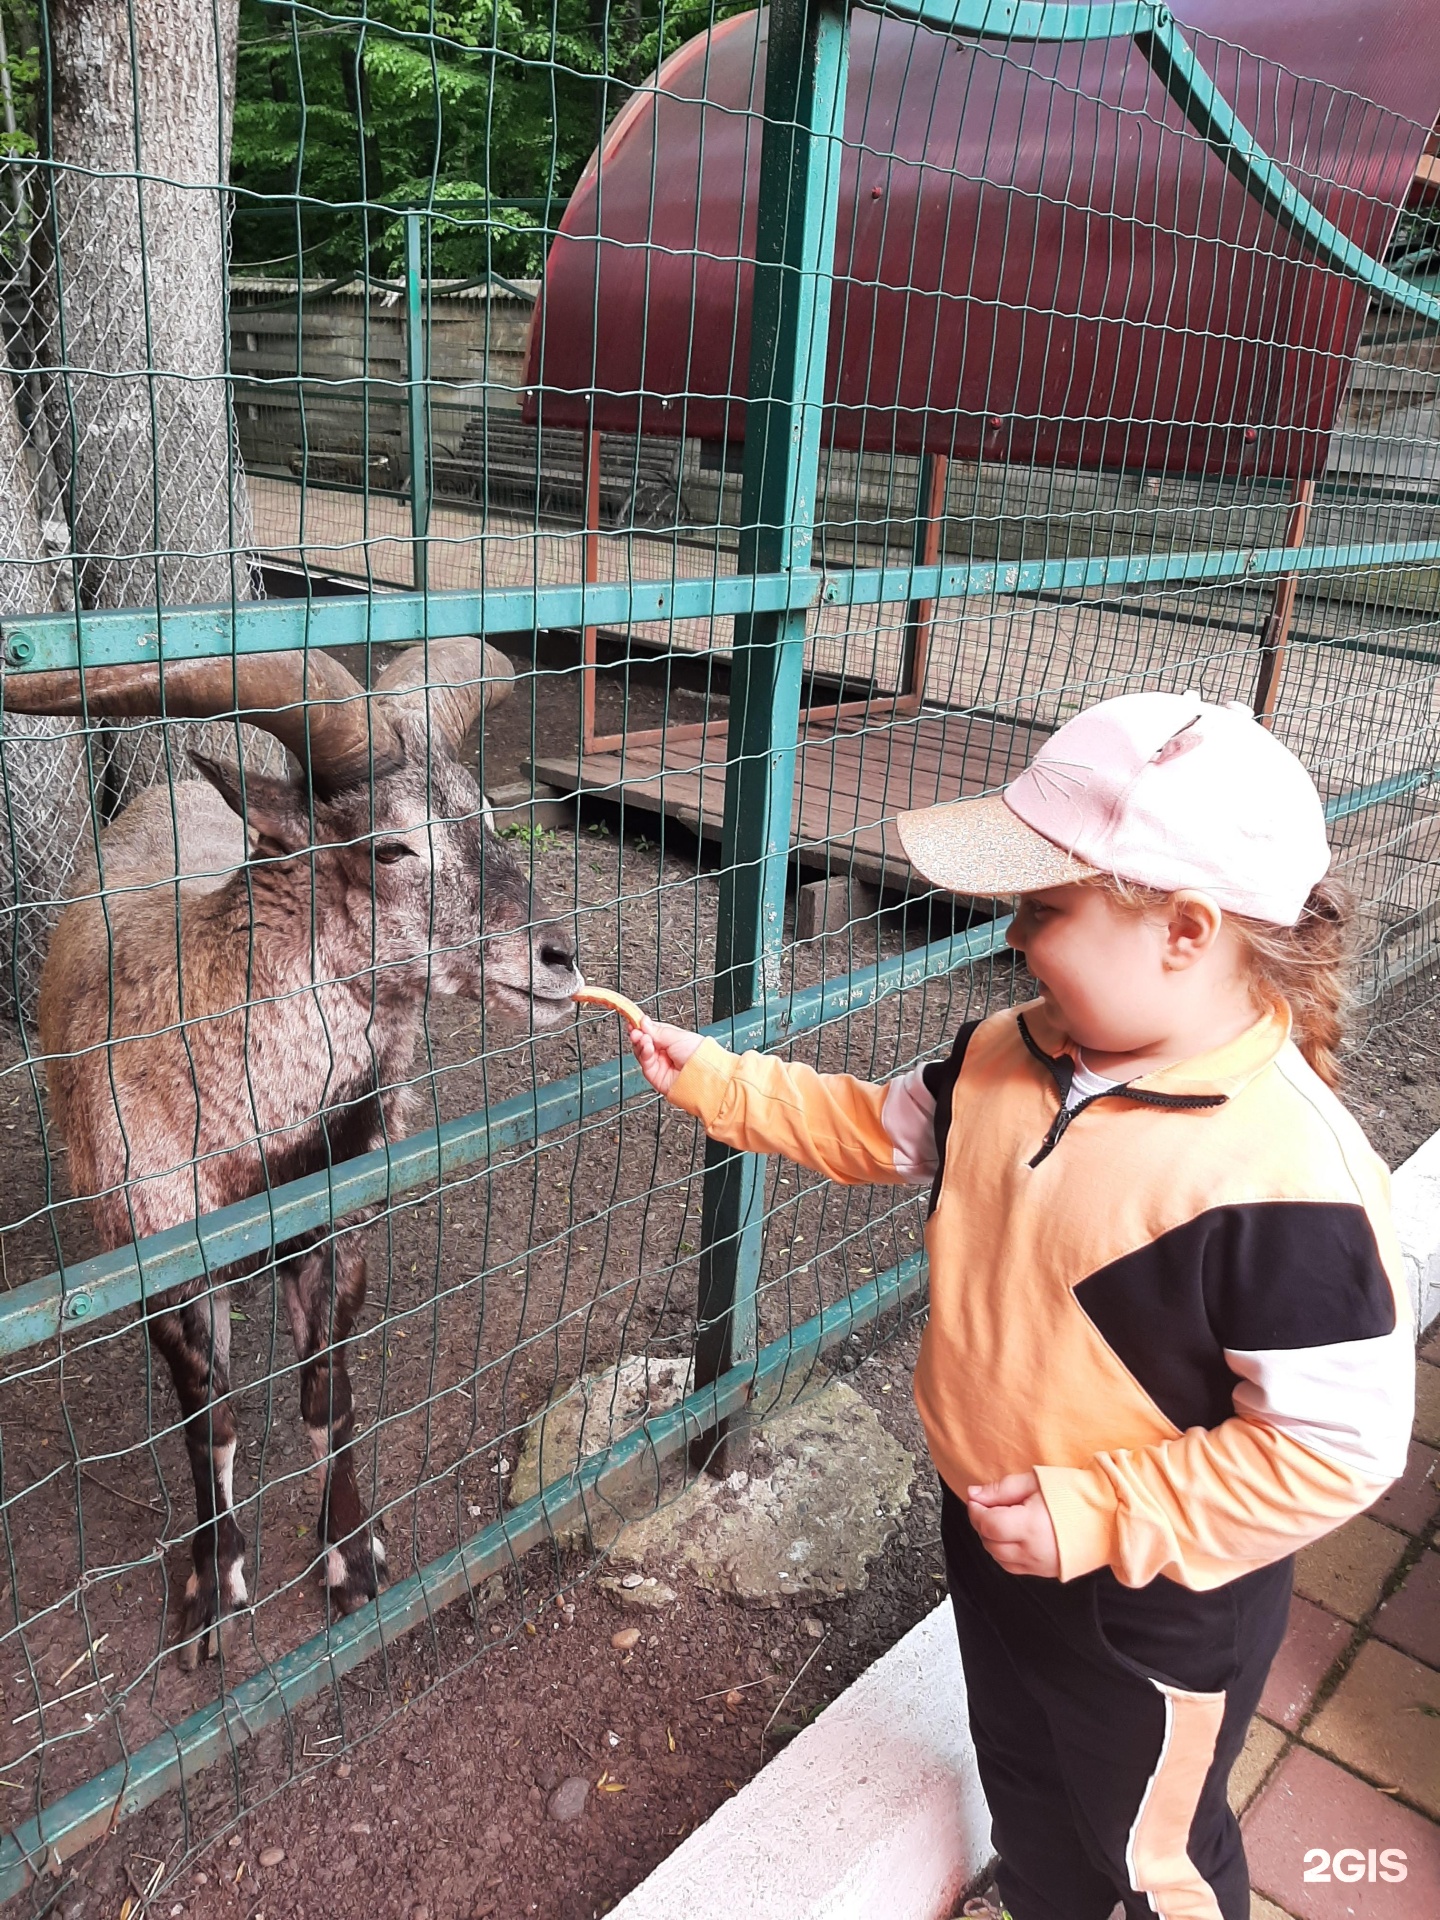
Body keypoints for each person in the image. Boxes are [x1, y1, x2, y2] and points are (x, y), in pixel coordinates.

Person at [625, 691, 1414, 1920]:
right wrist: (721, 1083)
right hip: (997, 1532)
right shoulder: (1006, 1052)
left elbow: (1335, 1450)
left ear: (1186, 932)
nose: (1014, 933)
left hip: (1158, 1601)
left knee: (1150, 1846)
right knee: (1031, 1778)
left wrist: (1095, 1510)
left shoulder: (1288, 1182)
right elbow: (872, 1128)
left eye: (1043, 908)